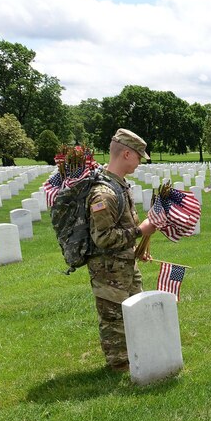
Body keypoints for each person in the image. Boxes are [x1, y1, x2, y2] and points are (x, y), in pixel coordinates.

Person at [88, 129, 156, 372]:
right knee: (114, 322)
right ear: (126, 154)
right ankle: (119, 368)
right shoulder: (103, 193)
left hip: (127, 264)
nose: (140, 162)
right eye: (139, 157)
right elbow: (103, 238)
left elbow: (123, 226)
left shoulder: (120, 185)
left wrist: (137, 247)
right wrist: (140, 231)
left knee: (136, 314)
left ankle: (136, 359)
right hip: (109, 273)